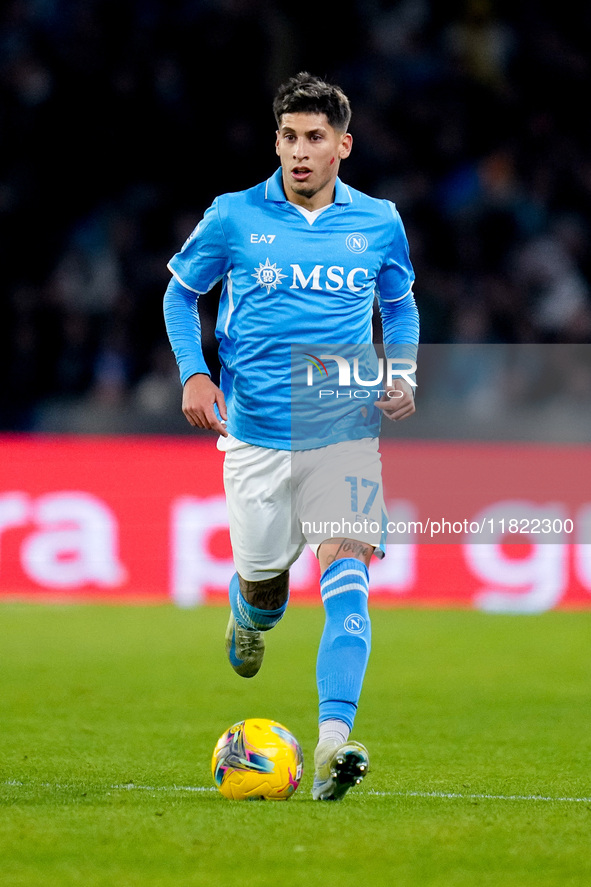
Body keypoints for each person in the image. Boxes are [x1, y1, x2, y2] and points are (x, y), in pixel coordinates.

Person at [163, 72, 419, 800]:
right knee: (268, 593)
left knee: (347, 573)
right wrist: (193, 372)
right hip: (252, 437)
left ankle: (335, 743)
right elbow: (182, 292)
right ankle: (248, 612)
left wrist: (399, 371)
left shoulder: (379, 222)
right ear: (275, 141)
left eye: (313, 138)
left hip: (341, 429)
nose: (298, 152)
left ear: (343, 145)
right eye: (287, 137)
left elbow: (399, 307)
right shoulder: (234, 216)